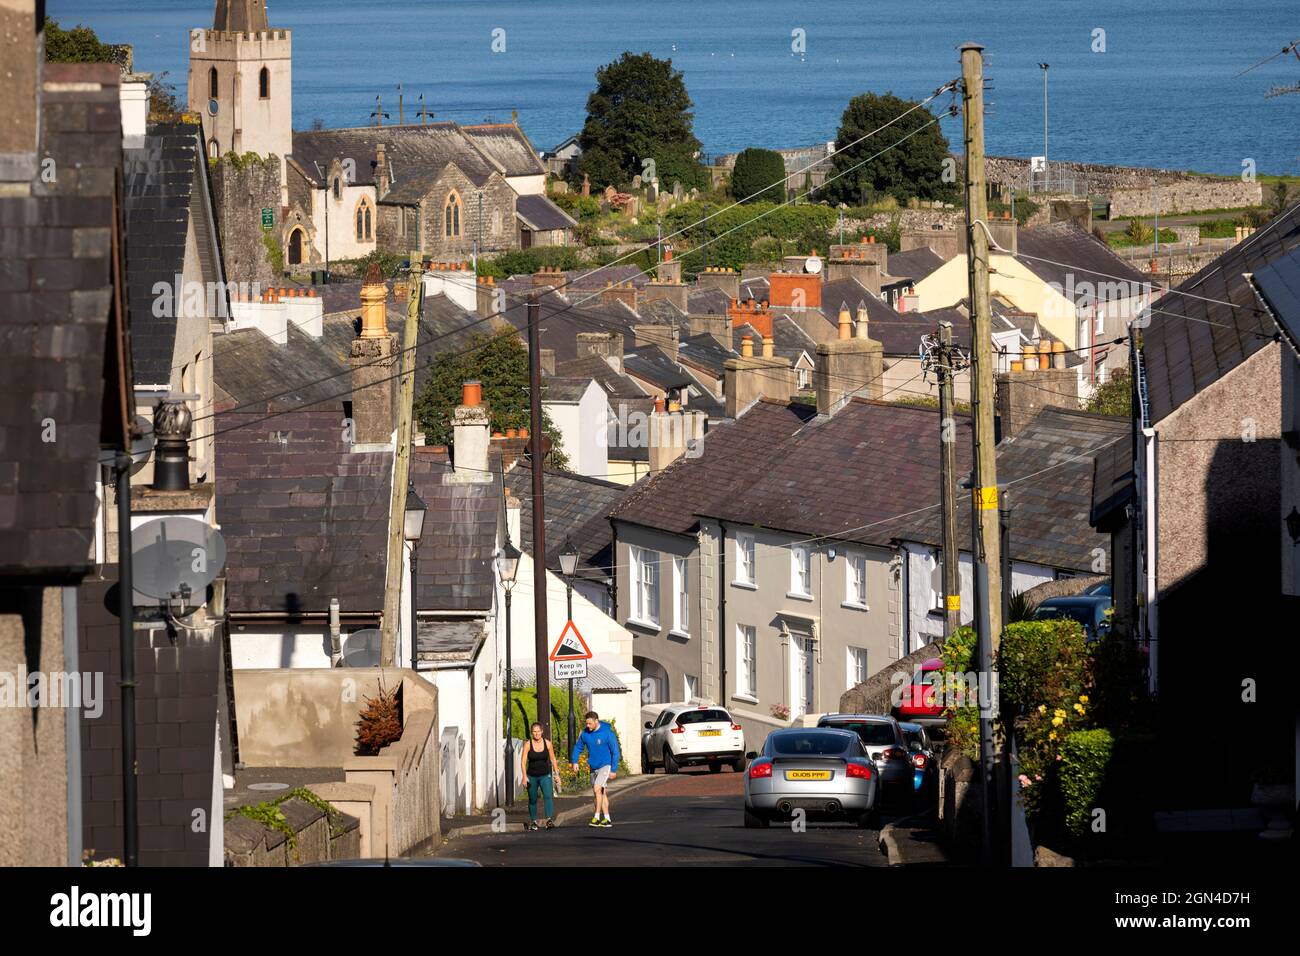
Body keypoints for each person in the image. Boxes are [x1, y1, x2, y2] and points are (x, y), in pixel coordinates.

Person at [571, 710, 621, 827]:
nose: (587, 726)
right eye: (586, 724)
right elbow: (578, 747)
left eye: (590, 724)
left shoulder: (607, 733)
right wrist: (575, 762)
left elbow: (615, 752)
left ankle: (596, 817)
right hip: (593, 766)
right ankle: (607, 819)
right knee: (601, 793)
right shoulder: (585, 733)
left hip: (605, 765)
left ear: (596, 721)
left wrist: (613, 769)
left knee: (597, 789)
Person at [520, 722, 560, 831]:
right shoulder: (528, 744)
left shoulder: (548, 744)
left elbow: (553, 759)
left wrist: (557, 774)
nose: (536, 734)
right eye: (534, 731)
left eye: (538, 731)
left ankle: (549, 820)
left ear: (542, 732)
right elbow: (523, 762)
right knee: (533, 799)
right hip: (531, 776)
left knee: (548, 796)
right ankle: (534, 821)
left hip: (545, 775)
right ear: (532, 733)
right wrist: (524, 776)